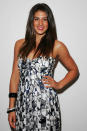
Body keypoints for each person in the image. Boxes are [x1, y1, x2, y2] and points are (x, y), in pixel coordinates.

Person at [7, 3, 79, 131]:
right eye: (36, 19)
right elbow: (14, 77)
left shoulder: (57, 46)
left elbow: (74, 70)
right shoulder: (19, 44)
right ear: (31, 21)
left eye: (44, 19)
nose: (41, 23)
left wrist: (59, 84)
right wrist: (11, 107)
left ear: (49, 22)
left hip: (46, 106)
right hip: (23, 105)